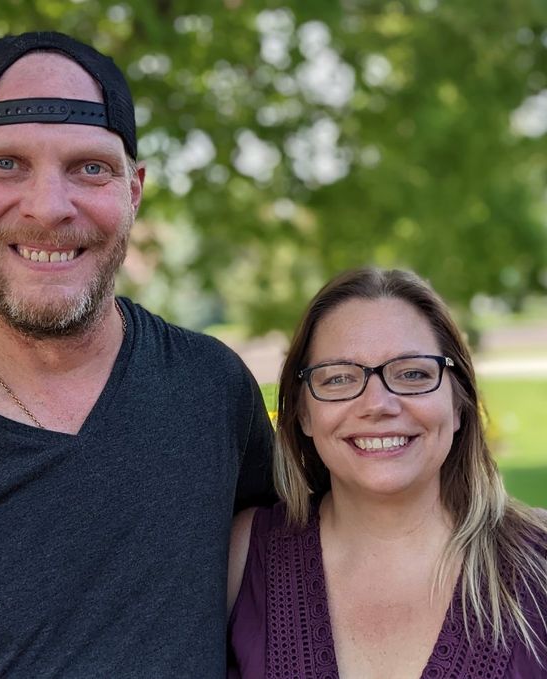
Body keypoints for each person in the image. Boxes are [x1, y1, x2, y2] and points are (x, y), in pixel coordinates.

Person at [0, 31, 275, 678]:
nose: (47, 207)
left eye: (90, 167)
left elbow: (319, 567)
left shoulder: (213, 392)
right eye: (6, 164)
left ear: (134, 192)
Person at [227, 268, 547, 678]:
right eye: (339, 378)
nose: (378, 403)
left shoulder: (536, 566)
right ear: (303, 412)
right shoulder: (244, 557)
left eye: (412, 373)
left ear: (458, 402)